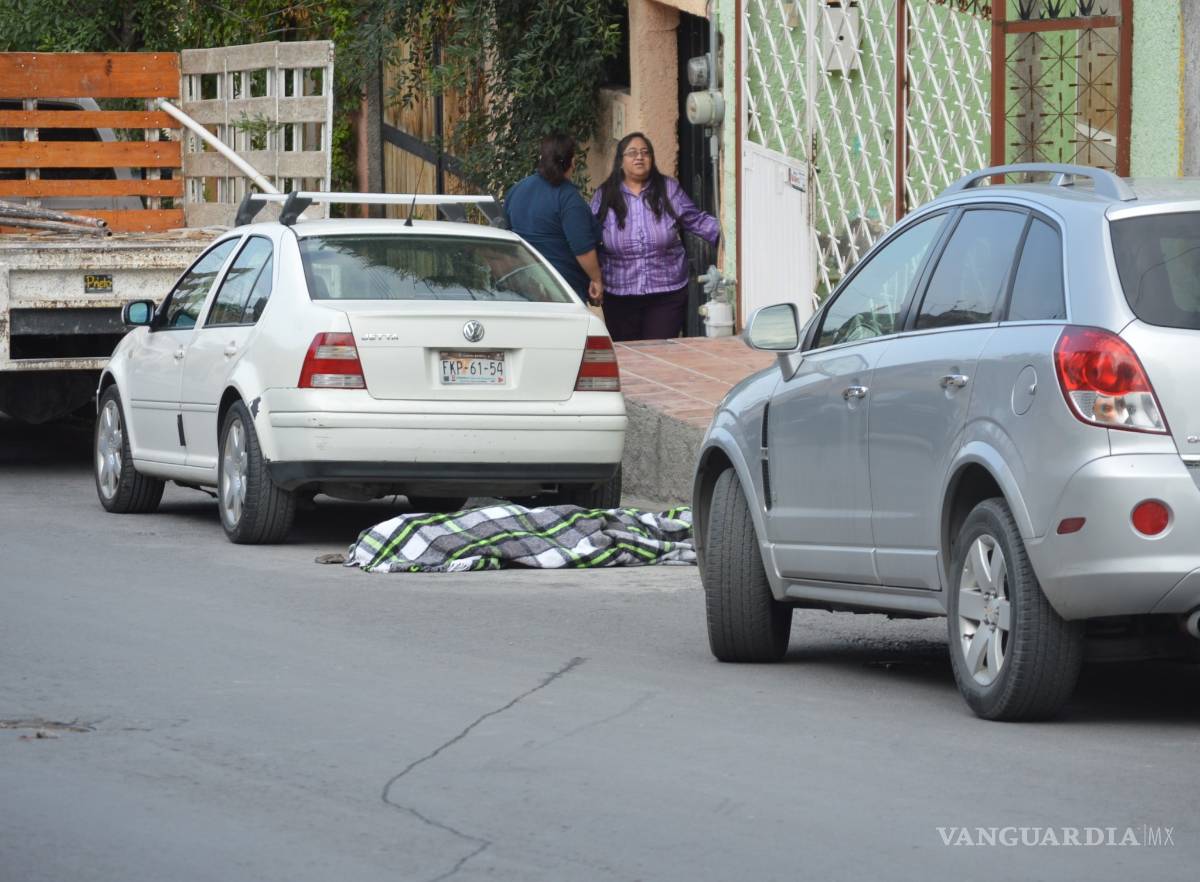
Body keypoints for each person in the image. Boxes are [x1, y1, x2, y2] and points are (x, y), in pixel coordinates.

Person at [590, 132, 720, 341]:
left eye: (645, 152)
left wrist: (732, 237)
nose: (639, 157)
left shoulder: (668, 189)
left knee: (660, 351)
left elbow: (696, 221)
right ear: (620, 161)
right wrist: (592, 277)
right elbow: (589, 237)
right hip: (620, 294)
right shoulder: (605, 195)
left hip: (666, 292)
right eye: (632, 153)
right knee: (628, 355)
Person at [504, 133, 603, 305]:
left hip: (523, 287)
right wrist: (596, 279)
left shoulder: (517, 189)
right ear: (572, 162)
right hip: (561, 290)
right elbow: (582, 248)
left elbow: (506, 235)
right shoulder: (568, 198)